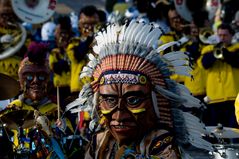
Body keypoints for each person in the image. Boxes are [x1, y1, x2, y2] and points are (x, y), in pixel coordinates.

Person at [67, 20, 213, 158]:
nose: (119, 116)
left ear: (155, 103)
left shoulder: (161, 143)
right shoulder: (99, 141)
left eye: (133, 100)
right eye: (109, 100)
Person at [1, 42, 73, 159]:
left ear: (48, 81)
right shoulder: (12, 109)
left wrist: (62, 128)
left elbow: (70, 144)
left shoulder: (55, 110)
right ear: (20, 81)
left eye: (41, 76)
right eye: (29, 77)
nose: (35, 81)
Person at [199, 23, 239, 128]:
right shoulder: (208, 49)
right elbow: (205, 64)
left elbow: (236, 61)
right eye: (220, 35)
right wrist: (216, 51)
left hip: (233, 97)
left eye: (225, 35)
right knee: (217, 133)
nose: (222, 38)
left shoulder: (237, 48)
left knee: (234, 131)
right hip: (214, 98)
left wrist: (224, 52)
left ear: (231, 36)